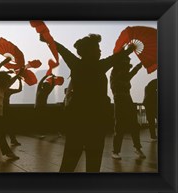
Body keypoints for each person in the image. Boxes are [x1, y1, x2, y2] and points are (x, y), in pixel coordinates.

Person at [41, 34, 135, 172]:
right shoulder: (100, 66)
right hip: (96, 121)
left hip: (77, 120)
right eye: (97, 48)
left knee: (69, 161)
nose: (100, 51)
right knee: (94, 162)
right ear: (89, 51)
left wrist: (48, 40)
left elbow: (61, 49)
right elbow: (116, 58)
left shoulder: (76, 64)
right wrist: (128, 50)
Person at [110, 57, 145, 160]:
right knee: (119, 126)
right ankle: (115, 151)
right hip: (119, 100)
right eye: (125, 67)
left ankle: (137, 148)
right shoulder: (114, 76)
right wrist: (124, 54)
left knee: (134, 125)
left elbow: (133, 72)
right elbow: (126, 72)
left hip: (128, 100)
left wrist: (140, 65)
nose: (127, 69)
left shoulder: (126, 76)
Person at [3, 70, 23, 146]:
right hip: (6, 109)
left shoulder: (3, 89)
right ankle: (13, 140)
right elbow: (19, 89)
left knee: (3, 126)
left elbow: (19, 89)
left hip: (3, 109)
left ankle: (1, 140)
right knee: (9, 125)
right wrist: (19, 80)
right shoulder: (8, 90)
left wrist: (8, 73)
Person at [35, 74, 57, 139]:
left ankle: (43, 133)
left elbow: (52, 85)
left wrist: (53, 78)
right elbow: (40, 82)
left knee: (43, 121)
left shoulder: (47, 91)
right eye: (46, 85)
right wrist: (46, 76)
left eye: (47, 86)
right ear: (43, 86)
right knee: (40, 121)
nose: (47, 86)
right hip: (38, 108)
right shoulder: (39, 89)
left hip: (43, 108)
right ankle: (42, 133)